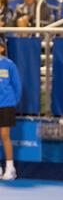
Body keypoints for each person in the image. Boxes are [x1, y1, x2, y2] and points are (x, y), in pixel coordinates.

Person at [0, 38, 22, 181]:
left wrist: (13, 102)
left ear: (2, 48)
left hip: (6, 105)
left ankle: (10, 168)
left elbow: (17, 86)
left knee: (5, 135)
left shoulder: (9, 65)